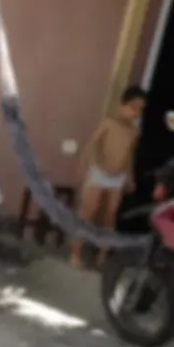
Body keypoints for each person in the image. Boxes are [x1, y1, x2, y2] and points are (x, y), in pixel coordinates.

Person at [72, 85, 147, 268]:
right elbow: (92, 143)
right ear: (123, 105)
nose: (136, 113)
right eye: (134, 108)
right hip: (100, 171)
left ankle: (102, 255)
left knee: (111, 215)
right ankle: (75, 253)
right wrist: (84, 164)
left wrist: (130, 177)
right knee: (89, 212)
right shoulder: (109, 122)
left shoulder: (133, 131)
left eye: (140, 110)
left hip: (118, 177)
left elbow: (129, 155)